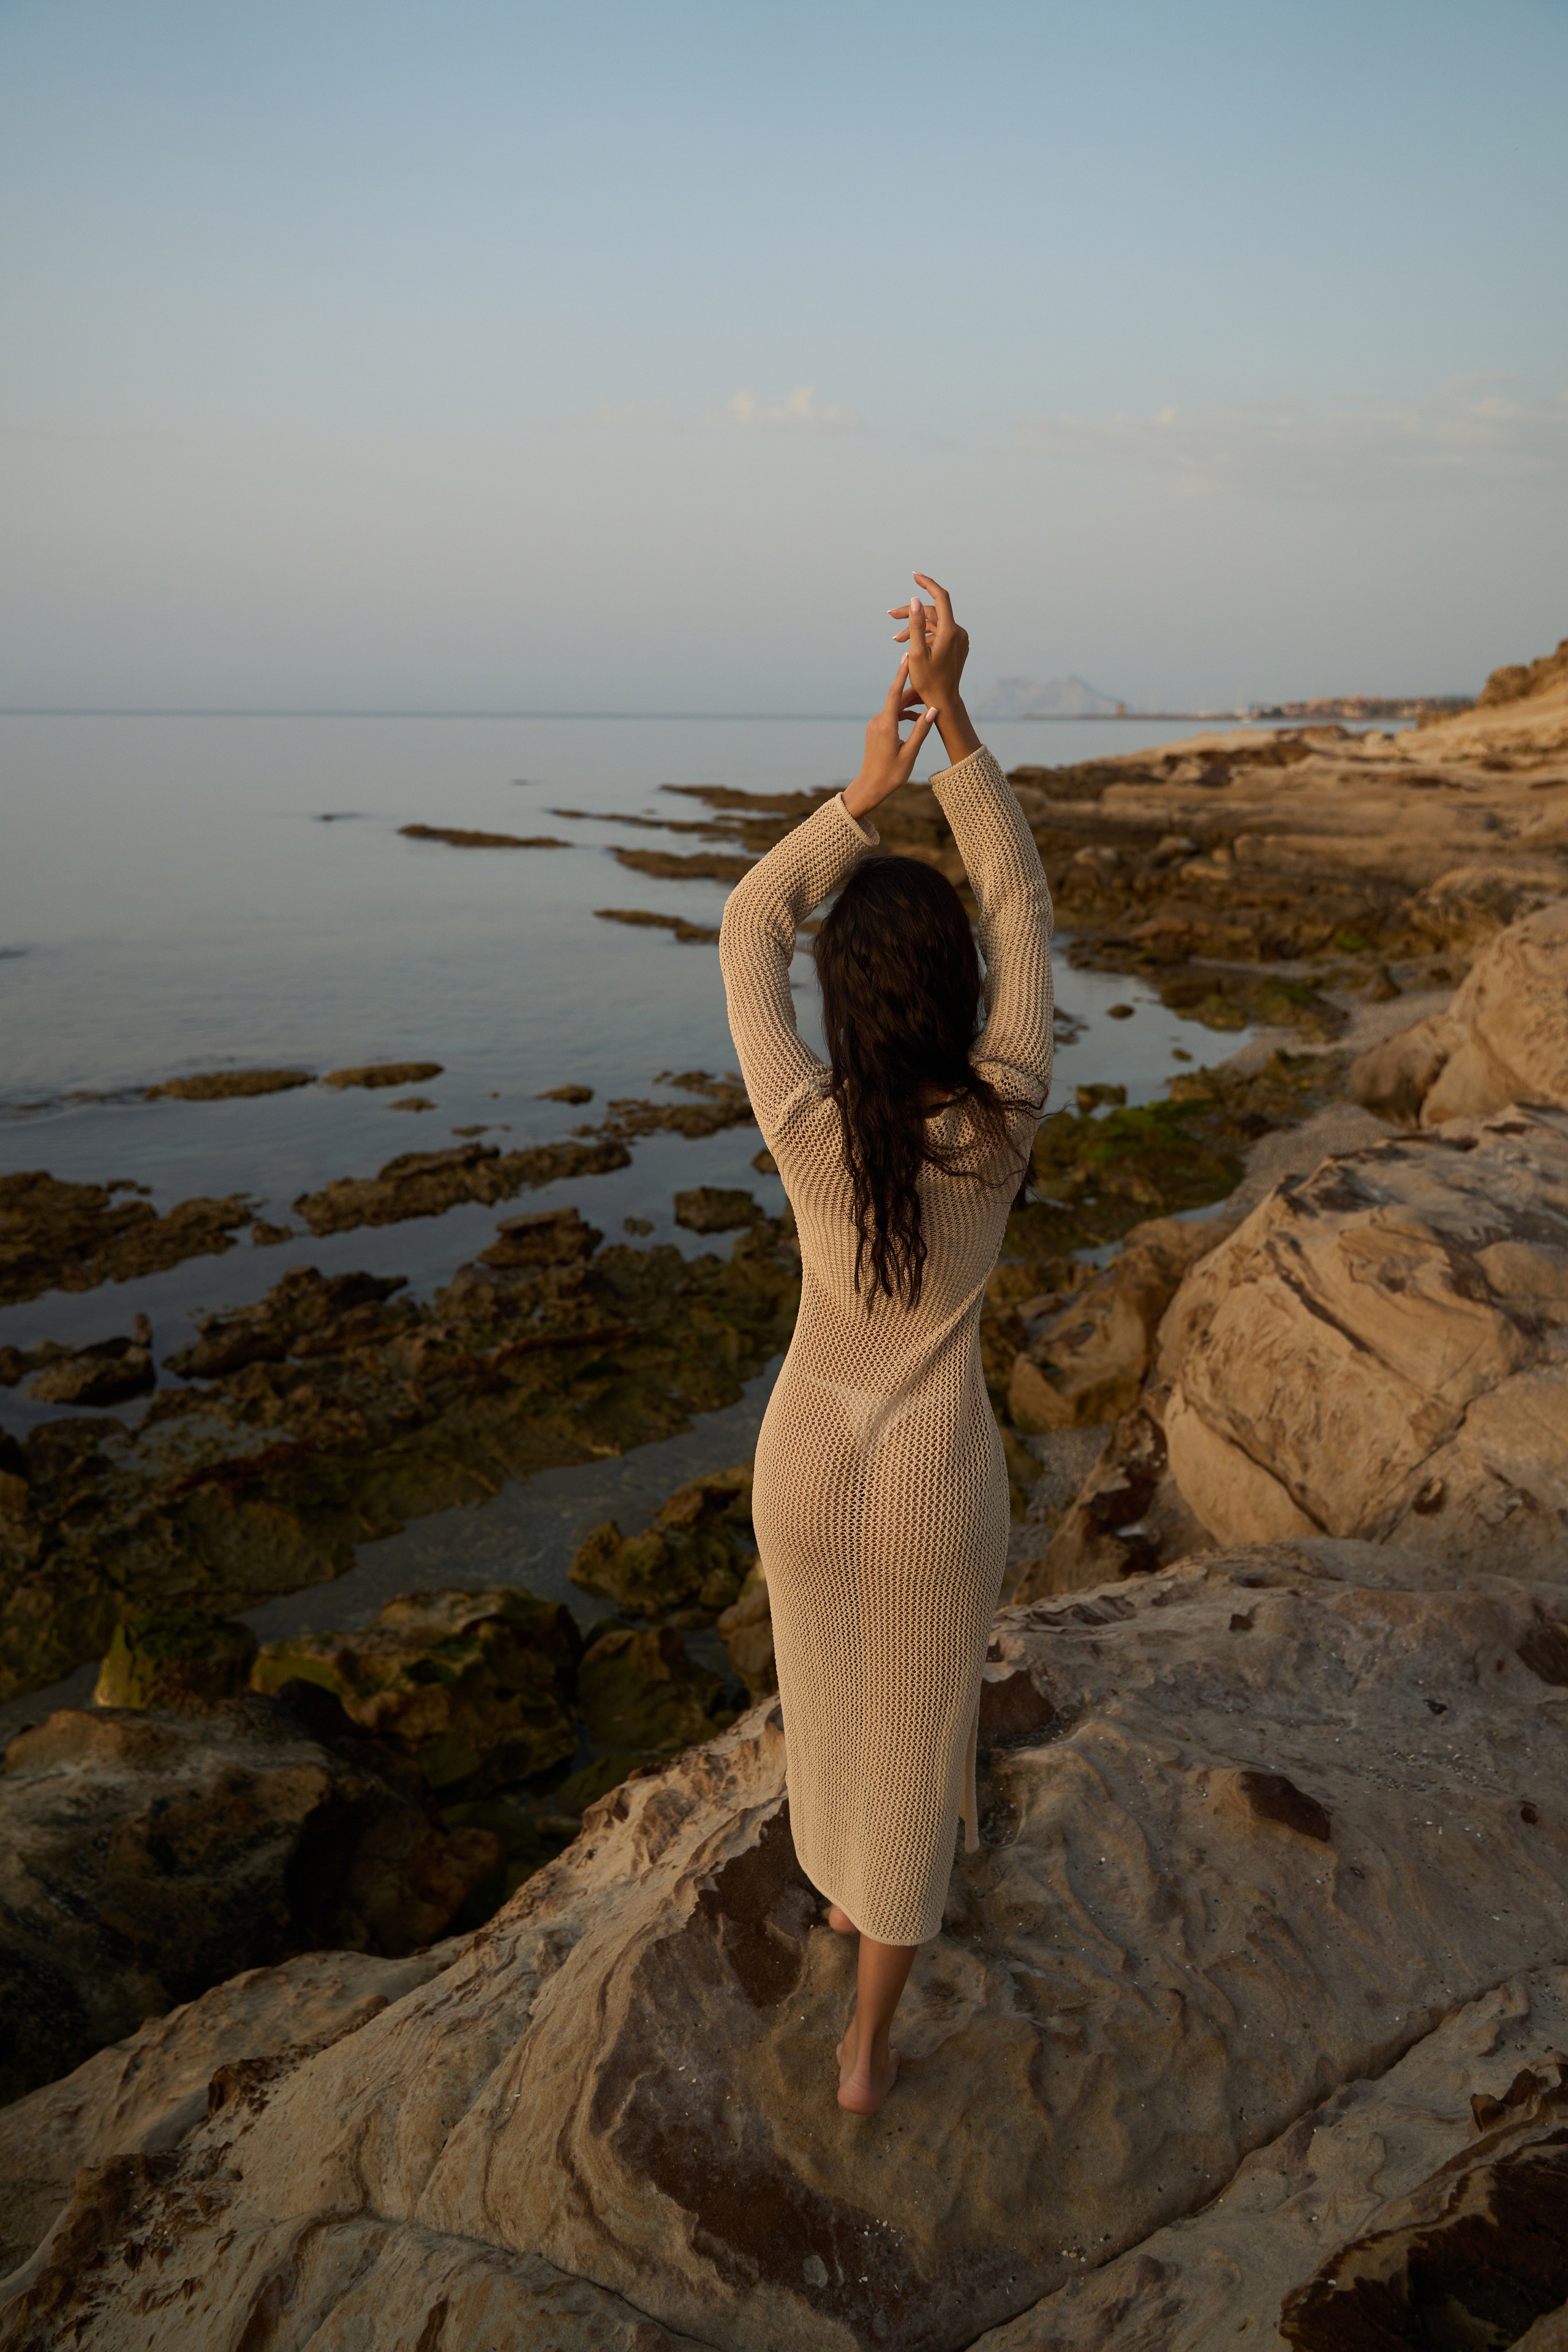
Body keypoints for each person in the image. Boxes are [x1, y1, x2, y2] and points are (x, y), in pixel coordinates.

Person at [718, 575, 1055, 2113]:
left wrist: (864, 794)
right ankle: (864, 2051)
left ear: (845, 1009)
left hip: (805, 1454)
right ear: (959, 995)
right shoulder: (999, 1122)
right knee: (921, 1749)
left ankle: (838, 1895)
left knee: (835, 1693)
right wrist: (959, 719)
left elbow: (745, 928)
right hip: (929, 1470)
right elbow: (1018, 903)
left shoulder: (805, 1124)